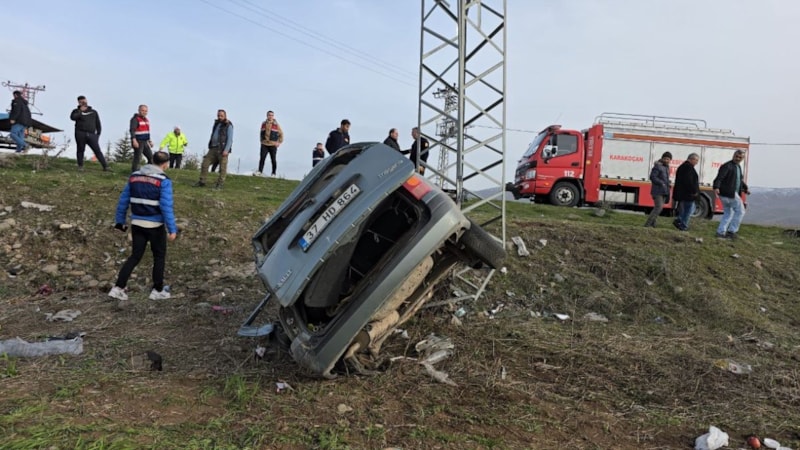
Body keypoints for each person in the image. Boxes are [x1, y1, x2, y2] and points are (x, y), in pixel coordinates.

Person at [108, 151, 177, 302]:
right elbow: (166, 206)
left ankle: (118, 288)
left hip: (137, 223)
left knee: (135, 256)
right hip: (155, 225)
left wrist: (120, 221)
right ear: (165, 164)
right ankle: (157, 290)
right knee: (159, 256)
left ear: (152, 160)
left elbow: (123, 200)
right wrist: (172, 229)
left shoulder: (134, 177)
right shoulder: (164, 180)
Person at [713, 150, 750, 239]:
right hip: (729, 193)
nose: (737, 158)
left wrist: (745, 188)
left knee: (728, 213)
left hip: (728, 193)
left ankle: (720, 232)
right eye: (736, 156)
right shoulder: (727, 166)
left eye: (740, 157)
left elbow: (739, 180)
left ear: (743, 158)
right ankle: (732, 231)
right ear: (733, 155)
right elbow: (719, 177)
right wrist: (716, 187)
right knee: (740, 211)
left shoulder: (737, 167)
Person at [194, 110, 234, 189]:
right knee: (205, 163)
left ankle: (220, 184)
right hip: (213, 148)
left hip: (222, 149)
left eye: (221, 116)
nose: (219, 117)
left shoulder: (228, 125)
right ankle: (202, 181)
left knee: (222, 168)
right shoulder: (216, 123)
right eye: (218, 115)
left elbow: (230, 139)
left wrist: (226, 149)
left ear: (225, 116)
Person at [70, 95, 109, 172]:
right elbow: (73, 118)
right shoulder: (76, 111)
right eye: (81, 101)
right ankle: (80, 166)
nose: (83, 102)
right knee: (80, 150)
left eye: (84, 100)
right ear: (78, 102)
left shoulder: (93, 112)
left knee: (97, 150)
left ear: (86, 100)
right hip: (80, 133)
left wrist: (98, 134)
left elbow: (98, 123)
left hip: (92, 134)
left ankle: (105, 166)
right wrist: (80, 111)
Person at [672, 153, 700, 231]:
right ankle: (683, 225)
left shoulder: (682, 167)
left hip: (682, 193)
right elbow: (689, 181)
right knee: (688, 210)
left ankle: (679, 220)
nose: (697, 162)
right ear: (691, 159)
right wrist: (694, 191)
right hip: (688, 194)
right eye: (696, 160)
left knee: (688, 209)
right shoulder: (689, 168)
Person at [644, 151, 672, 228]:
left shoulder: (666, 167)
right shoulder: (658, 166)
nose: (666, 160)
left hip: (663, 191)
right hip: (657, 191)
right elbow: (652, 177)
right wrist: (662, 183)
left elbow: (662, 178)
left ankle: (653, 224)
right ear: (662, 158)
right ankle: (647, 224)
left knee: (659, 208)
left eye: (668, 159)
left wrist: (667, 183)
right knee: (658, 207)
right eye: (665, 158)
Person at [258, 111, 284, 177]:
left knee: (273, 159)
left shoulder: (276, 124)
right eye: (269, 115)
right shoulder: (263, 123)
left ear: (273, 116)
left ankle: (273, 173)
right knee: (262, 158)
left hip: (273, 144)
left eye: (272, 115)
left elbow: (281, 134)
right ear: (267, 116)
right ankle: (260, 171)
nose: (270, 116)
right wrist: (261, 140)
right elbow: (261, 132)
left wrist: (279, 142)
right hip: (264, 144)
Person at [129, 104, 154, 173]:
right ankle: (134, 172)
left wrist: (150, 141)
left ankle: (147, 171)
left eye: (146, 111)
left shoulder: (146, 120)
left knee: (151, 157)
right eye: (143, 110)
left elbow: (146, 131)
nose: (144, 112)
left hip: (145, 141)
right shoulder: (135, 119)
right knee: (137, 157)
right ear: (139, 110)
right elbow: (132, 130)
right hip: (138, 141)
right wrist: (134, 140)